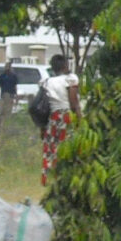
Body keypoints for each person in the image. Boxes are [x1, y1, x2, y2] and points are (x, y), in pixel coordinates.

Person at [39, 54, 81, 185]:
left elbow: (42, 106)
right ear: (65, 66)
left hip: (52, 118)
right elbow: (73, 102)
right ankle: (68, 178)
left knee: (51, 149)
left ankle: (50, 179)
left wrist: (42, 127)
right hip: (67, 116)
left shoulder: (46, 82)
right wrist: (80, 119)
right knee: (68, 147)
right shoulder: (70, 79)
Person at [0, 59, 19, 137]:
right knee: (5, 110)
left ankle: (5, 126)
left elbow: (15, 87)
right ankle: (4, 126)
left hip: (8, 95)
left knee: (6, 110)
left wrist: (16, 95)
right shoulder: (4, 76)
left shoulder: (10, 76)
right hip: (5, 94)